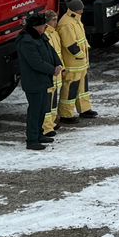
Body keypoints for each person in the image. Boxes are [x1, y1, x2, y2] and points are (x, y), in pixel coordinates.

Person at [16, 9, 62, 151]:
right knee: (35, 111)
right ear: (36, 27)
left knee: (42, 108)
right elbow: (36, 62)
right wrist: (52, 69)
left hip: (42, 80)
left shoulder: (40, 36)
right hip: (34, 81)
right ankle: (32, 139)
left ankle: (39, 134)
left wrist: (58, 63)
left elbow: (51, 51)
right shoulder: (26, 41)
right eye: (43, 26)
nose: (45, 28)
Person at [56, 0, 96, 121]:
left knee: (82, 88)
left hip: (80, 63)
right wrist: (81, 55)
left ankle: (84, 109)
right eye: (81, 9)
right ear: (76, 10)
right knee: (70, 89)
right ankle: (65, 114)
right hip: (73, 63)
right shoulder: (66, 23)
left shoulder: (75, 20)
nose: (83, 11)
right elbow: (70, 45)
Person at [41, 10, 64, 142]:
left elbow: (59, 54)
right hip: (50, 75)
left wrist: (63, 69)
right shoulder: (46, 35)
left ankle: (52, 123)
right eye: (53, 20)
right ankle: (46, 127)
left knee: (53, 103)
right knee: (47, 104)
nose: (56, 22)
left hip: (57, 75)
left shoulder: (54, 34)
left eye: (56, 19)